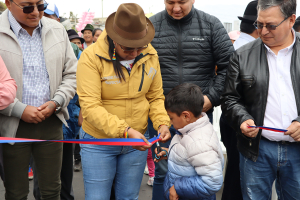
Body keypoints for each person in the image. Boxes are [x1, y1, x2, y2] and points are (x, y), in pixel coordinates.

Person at [76, 3, 171, 199]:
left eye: (140, 46)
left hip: (136, 144)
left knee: (128, 197)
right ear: (114, 39)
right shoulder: (90, 57)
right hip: (98, 142)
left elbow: (155, 96)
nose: (135, 53)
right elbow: (90, 107)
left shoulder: (150, 54)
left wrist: (162, 122)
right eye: (129, 49)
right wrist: (126, 131)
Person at [149, 0, 234, 198]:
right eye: (170, 2)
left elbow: (229, 68)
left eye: (182, 2)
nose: (176, 8)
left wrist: (211, 98)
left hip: (196, 118)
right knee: (162, 172)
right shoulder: (151, 27)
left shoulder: (211, 25)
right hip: (163, 116)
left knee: (199, 172)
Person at [221, 0, 300, 199]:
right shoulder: (242, 55)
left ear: (291, 20)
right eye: (259, 24)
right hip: (257, 149)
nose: (263, 31)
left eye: (271, 25)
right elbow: (230, 99)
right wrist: (242, 119)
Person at [0, 0, 77, 199]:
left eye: (40, 5)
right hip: (11, 126)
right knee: (16, 193)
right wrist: (17, 109)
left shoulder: (57, 30)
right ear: (8, 3)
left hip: (52, 122)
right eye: (27, 7)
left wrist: (56, 102)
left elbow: (73, 74)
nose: (35, 12)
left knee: (52, 191)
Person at [155, 83, 224, 200]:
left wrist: (177, 188)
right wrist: (169, 153)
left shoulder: (200, 142)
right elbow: (189, 155)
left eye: (171, 118)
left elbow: (212, 181)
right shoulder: (188, 129)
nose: (170, 122)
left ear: (186, 116)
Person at [220, 2, 258, 200]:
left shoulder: (233, 45)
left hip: (230, 118)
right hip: (243, 121)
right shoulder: (249, 51)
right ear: (258, 27)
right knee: (240, 175)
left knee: (234, 171)